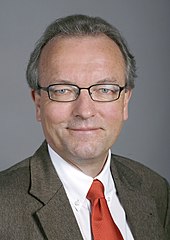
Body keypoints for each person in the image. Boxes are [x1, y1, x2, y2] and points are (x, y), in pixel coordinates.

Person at [0, 14, 169, 240]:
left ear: (125, 101)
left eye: (105, 89)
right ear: (38, 103)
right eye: (63, 90)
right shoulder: (4, 207)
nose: (85, 111)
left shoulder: (156, 190)